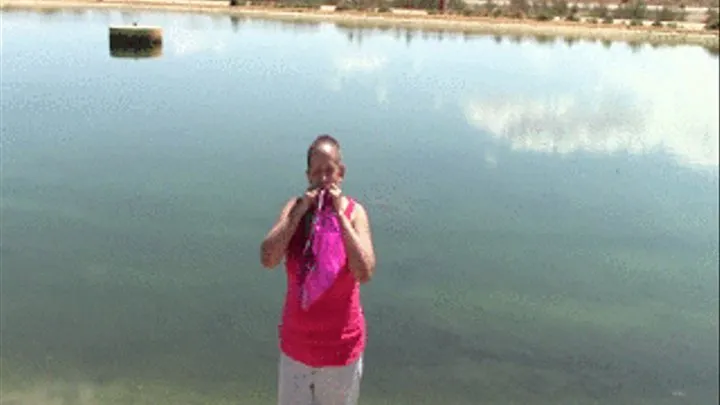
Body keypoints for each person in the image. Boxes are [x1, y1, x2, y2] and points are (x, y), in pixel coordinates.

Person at [260, 134, 377, 405]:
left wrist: (339, 219)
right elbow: (268, 258)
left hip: (340, 352)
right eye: (316, 173)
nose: (324, 180)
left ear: (341, 173)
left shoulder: (355, 213)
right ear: (307, 176)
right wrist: (298, 214)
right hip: (296, 350)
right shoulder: (295, 210)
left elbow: (365, 271)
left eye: (330, 172)